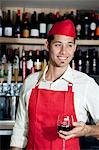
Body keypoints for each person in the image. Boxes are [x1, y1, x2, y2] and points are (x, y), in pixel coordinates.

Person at [10, 19, 99, 150]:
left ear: (75, 47)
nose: (64, 52)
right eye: (58, 45)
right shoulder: (30, 82)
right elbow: (20, 131)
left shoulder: (86, 84)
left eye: (69, 45)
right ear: (47, 45)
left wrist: (86, 130)